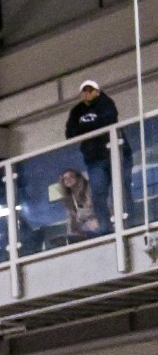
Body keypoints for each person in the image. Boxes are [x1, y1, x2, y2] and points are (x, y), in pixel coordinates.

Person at [66, 79, 119, 225]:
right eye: (84, 91)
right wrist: (93, 127)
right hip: (94, 159)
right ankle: (104, 226)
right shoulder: (76, 111)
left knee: (121, 188)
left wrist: (84, 127)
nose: (87, 93)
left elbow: (109, 120)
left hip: (114, 153)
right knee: (98, 193)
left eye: (90, 90)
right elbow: (70, 133)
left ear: (97, 91)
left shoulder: (106, 103)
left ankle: (125, 221)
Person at [57, 168, 102, 238]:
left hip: (99, 222)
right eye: (65, 179)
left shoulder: (89, 188)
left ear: (78, 178)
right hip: (85, 227)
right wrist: (70, 233)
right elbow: (70, 216)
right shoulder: (69, 198)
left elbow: (96, 206)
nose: (68, 180)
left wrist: (93, 219)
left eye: (71, 176)